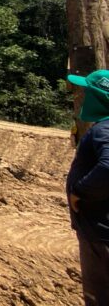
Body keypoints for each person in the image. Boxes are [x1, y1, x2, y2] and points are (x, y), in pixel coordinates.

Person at [66, 70, 109, 306]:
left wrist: (80, 191)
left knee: (98, 297)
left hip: (99, 231)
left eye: (87, 92)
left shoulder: (103, 130)